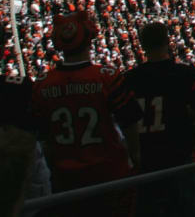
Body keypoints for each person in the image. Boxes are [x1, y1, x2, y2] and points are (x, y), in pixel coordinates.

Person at [31, 11, 143, 214]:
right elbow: (130, 122)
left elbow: (42, 137)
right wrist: (136, 157)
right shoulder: (107, 77)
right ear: (89, 39)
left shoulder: (42, 85)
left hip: (64, 180)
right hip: (109, 176)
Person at [123, 21, 195, 216]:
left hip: (145, 155)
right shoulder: (186, 74)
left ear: (142, 45)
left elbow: (124, 118)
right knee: (183, 207)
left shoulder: (129, 79)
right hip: (177, 153)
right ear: (168, 42)